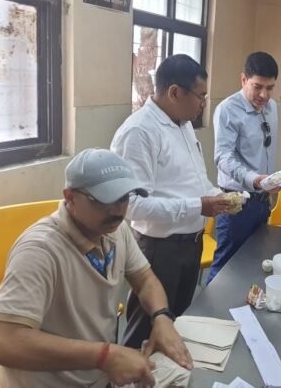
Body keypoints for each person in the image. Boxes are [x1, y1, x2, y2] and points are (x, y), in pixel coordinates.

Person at [0, 148, 191, 388]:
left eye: (124, 198)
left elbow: (145, 279)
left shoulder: (116, 231)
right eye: (104, 200)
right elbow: (2, 340)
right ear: (70, 197)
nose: (117, 210)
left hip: (96, 377)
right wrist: (103, 356)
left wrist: (162, 317)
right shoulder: (40, 251)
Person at [111, 54, 232, 349]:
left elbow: (195, 180)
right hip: (159, 251)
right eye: (200, 96)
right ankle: (131, 372)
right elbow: (132, 206)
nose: (203, 104)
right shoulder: (139, 131)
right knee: (146, 331)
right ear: (175, 92)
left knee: (177, 326)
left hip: (191, 244)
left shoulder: (183, 124)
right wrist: (198, 206)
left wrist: (218, 196)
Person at [206, 52, 280, 283]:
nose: (264, 95)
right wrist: (254, 179)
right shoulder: (228, 109)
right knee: (225, 267)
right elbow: (223, 157)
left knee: (253, 263)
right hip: (236, 202)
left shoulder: (271, 107)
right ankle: (213, 307)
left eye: (270, 88)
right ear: (243, 79)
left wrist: (271, 183)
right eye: (257, 87)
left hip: (262, 202)